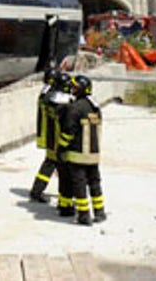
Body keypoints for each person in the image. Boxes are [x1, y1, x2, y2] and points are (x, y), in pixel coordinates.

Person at [59, 74, 105, 225]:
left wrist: (61, 147)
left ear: (80, 90)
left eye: (74, 87)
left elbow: (68, 132)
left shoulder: (75, 108)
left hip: (77, 155)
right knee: (95, 183)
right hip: (93, 154)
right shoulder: (96, 107)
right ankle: (100, 212)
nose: (72, 89)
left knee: (79, 185)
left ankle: (84, 215)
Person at [29, 69, 72, 208]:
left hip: (50, 135)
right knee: (54, 165)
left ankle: (38, 191)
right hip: (54, 136)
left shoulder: (46, 93)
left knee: (50, 164)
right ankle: (40, 192)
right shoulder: (52, 97)